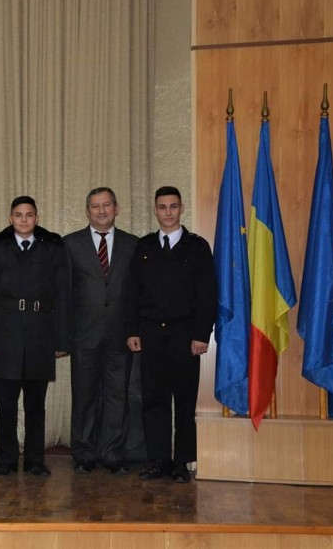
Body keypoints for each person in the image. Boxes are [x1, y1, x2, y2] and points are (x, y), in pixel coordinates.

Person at [125, 186, 217, 484]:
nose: (168, 212)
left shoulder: (197, 247)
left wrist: (202, 334)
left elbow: (207, 294)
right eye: (162, 207)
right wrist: (132, 330)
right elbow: (132, 292)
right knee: (154, 400)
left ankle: (181, 462)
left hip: (184, 335)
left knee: (185, 401)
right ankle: (159, 461)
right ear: (155, 210)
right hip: (151, 334)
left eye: (173, 206)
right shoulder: (145, 246)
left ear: (181, 209)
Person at [0, 196, 69, 477]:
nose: (24, 220)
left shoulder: (52, 248)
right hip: (5, 334)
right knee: (5, 404)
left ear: (37, 218)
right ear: (10, 218)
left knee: (35, 405)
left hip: (41, 333)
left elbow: (63, 295)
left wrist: (61, 339)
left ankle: (34, 460)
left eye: (29, 215)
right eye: (18, 215)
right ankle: (5, 459)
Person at [64, 187, 138, 475]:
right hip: (83, 336)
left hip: (120, 335)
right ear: (87, 211)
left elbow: (137, 293)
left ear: (116, 208)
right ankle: (84, 452)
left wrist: (135, 330)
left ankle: (112, 453)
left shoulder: (133, 244)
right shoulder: (70, 244)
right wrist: (64, 336)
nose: (102, 211)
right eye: (95, 206)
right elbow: (64, 293)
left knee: (117, 396)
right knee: (84, 396)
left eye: (107, 205)